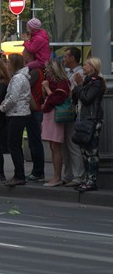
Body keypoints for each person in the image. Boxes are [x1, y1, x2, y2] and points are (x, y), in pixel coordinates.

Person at [71, 57, 106, 192]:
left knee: (91, 152)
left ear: (93, 67)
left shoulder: (97, 83)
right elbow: (76, 99)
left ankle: (92, 180)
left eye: (85, 65)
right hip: (83, 119)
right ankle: (87, 178)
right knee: (84, 152)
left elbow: (86, 99)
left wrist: (79, 86)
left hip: (92, 120)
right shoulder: (86, 82)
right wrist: (77, 87)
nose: (83, 67)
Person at [0, 54, 32, 186]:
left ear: (13, 64)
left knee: (13, 145)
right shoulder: (19, 77)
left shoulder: (18, 78)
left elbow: (13, 98)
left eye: (8, 62)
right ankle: (18, 174)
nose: (6, 65)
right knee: (15, 145)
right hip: (19, 113)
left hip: (17, 114)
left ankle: (19, 175)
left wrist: (2, 107)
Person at [40, 60, 71, 187]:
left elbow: (56, 99)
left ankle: (57, 177)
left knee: (55, 147)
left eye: (48, 69)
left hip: (55, 116)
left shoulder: (62, 83)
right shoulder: (54, 82)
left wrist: (46, 88)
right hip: (50, 115)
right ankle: (56, 176)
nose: (46, 71)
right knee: (53, 147)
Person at [61, 47, 85, 187]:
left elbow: (73, 93)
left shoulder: (80, 73)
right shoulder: (67, 73)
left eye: (66, 56)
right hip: (66, 112)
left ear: (72, 58)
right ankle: (68, 174)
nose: (64, 59)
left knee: (73, 144)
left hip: (74, 112)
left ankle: (78, 176)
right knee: (65, 145)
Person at [24, 48, 46, 181]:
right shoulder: (35, 71)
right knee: (33, 141)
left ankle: (38, 171)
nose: (23, 55)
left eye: (24, 53)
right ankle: (37, 171)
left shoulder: (34, 72)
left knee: (35, 141)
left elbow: (25, 86)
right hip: (34, 109)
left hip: (34, 109)